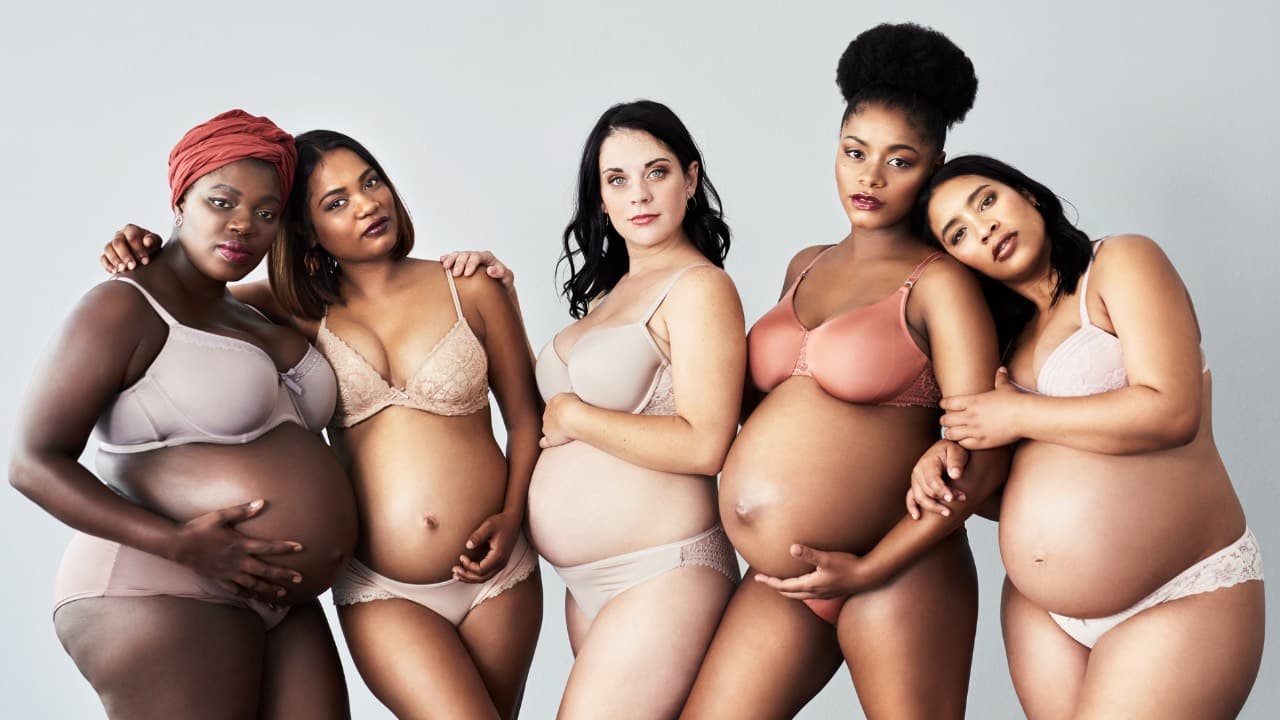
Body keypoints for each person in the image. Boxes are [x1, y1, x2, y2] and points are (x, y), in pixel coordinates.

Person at [100, 130, 545, 719]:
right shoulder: (292, 310)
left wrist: (512, 519)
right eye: (336, 202)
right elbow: (190, 289)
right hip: (383, 588)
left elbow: (526, 417)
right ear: (306, 231)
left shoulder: (470, 286)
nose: (367, 204)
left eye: (371, 181)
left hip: (500, 572)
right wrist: (147, 247)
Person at [680, 24, 1008, 719]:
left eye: (899, 161)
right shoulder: (805, 265)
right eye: (855, 152)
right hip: (787, 579)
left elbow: (983, 458)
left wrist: (869, 568)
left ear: (935, 165)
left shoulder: (941, 283)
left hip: (900, 569)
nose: (870, 177)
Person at [12, 109, 358, 719]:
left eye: (266, 213)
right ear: (180, 201)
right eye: (221, 202)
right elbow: (31, 462)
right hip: (162, 580)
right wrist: (178, 545)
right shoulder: (126, 306)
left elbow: (364, 291)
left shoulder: (254, 311)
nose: (242, 224)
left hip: (276, 593)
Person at [909, 154, 1265, 719]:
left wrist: (1018, 415)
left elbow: (1172, 412)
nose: (985, 227)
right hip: (1043, 616)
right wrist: (946, 462)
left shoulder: (1120, 263)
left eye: (987, 201)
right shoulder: (1004, 344)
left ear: (1028, 194)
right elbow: (1010, 492)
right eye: (959, 234)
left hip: (1179, 591)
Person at [491, 99, 744, 719]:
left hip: (665, 569)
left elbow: (706, 444)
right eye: (617, 180)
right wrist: (501, 299)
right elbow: (547, 405)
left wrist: (577, 418)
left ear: (690, 178)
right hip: (588, 585)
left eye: (657, 172)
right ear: (601, 200)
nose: (640, 195)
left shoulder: (700, 287)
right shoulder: (609, 294)